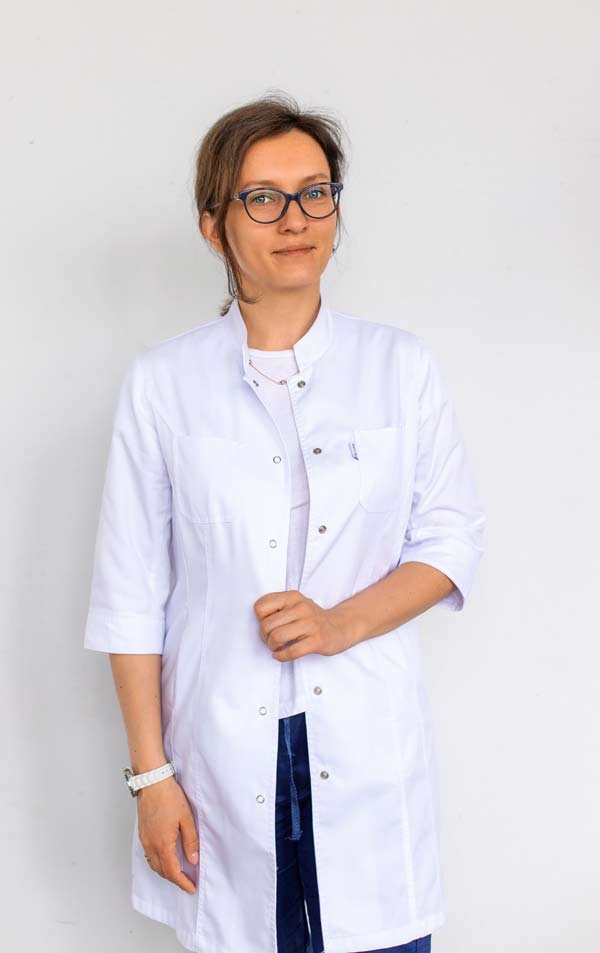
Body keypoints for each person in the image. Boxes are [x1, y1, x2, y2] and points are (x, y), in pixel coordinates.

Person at [84, 92, 486, 953]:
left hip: (365, 746)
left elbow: (450, 537)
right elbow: (130, 594)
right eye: (262, 197)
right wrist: (152, 778)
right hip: (221, 750)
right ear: (213, 225)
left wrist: (341, 623)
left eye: (315, 192)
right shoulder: (163, 385)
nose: (295, 218)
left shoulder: (398, 366)